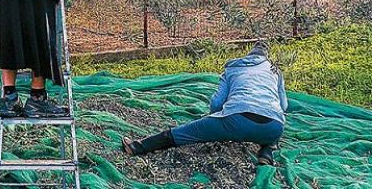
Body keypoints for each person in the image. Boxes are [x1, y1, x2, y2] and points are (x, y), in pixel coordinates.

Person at [121, 41, 287, 165]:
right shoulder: (275, 70)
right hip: (274, 127)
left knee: (185, 132)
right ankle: (266, 153)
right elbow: (283, 105)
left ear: (247, 55)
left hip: (236, 120)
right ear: (266, 57)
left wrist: (213, 119)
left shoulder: (233, 68)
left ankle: (137, 147)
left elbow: (217, 102)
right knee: (270, 122)